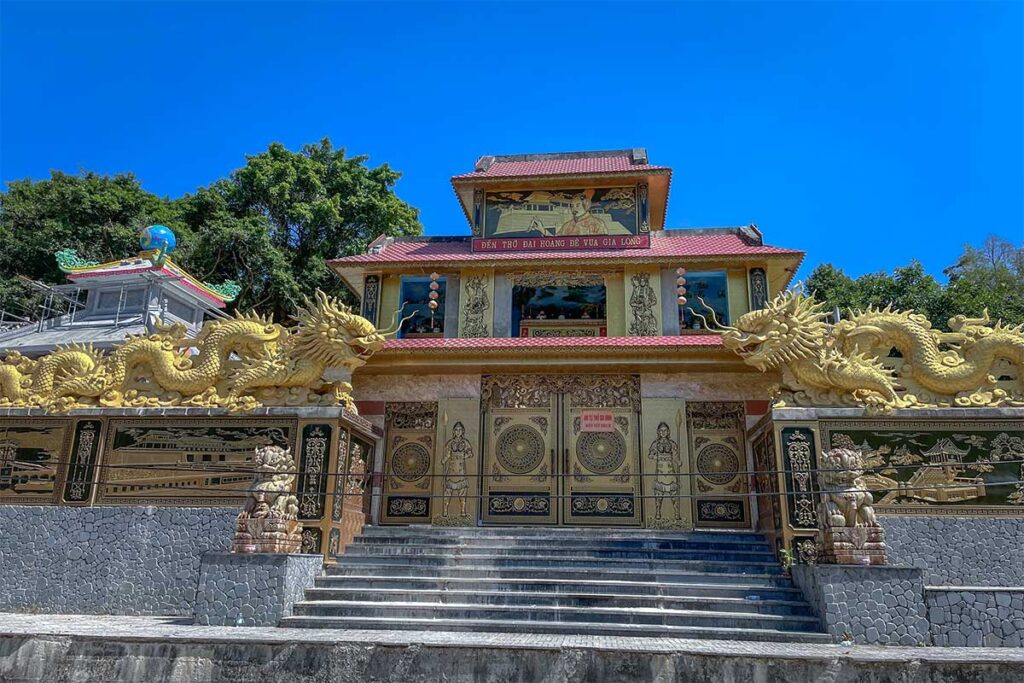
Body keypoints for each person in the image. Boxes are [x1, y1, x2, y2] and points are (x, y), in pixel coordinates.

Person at [648, 422, 681, 521]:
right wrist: (658, 457)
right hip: (660, 471)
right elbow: (650, 455)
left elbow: (675, 456)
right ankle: (658, 512)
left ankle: (676, 513)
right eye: (661, 430)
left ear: (668, 431)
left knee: (674, 494)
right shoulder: (655, 444)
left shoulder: (672, 443)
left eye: (665, 430)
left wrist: (678, 461)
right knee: (659, 494)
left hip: (670, 470)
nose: (663, 432)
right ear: (658, 432)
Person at [442, 421, 473, 517]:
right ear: (453, 431)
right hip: (451, 470)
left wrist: (463, 456)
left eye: (460, 430)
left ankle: (463, 511)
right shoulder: (450, 443)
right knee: (447, 492)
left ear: (463, 431)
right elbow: (447, 455)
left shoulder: (466, 443)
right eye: (456, 430)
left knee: (462, 492)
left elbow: (470, 454)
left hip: (461, 471)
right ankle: (445, 511)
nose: (458, 431)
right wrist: (444, 460)